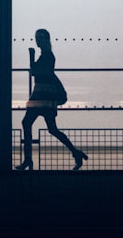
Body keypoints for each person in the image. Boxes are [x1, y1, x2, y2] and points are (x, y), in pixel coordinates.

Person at [15, 28, 87, 171]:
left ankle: (28, 160)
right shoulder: (47, 55)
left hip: (40, 97)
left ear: (46, 39)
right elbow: (38, 72)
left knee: (28, 123)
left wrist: (31, 57)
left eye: (40, 37)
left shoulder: (47, 56)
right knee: (52, 129)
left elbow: (35, 72)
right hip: (45, 98)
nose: (38, 40)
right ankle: (75, 153)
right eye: (36, 37)